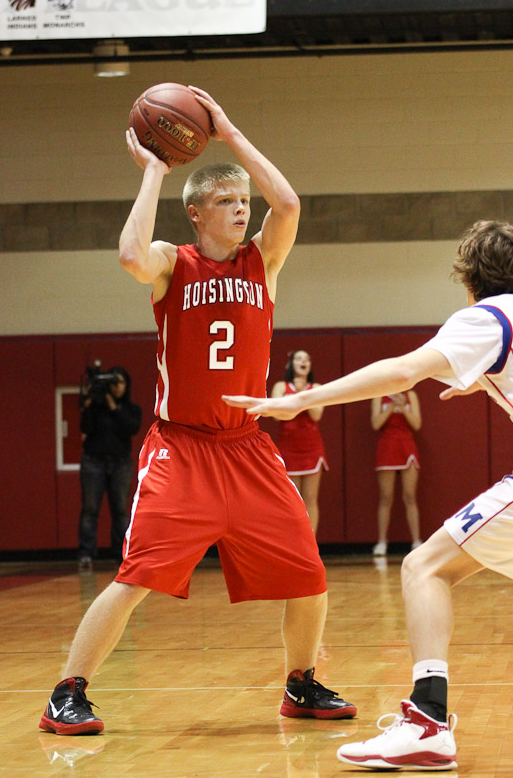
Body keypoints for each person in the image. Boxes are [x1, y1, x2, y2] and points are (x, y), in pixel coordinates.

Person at [39, 86, 356, 735]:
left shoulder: (261, 262)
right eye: (225, 202)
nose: (241, 211)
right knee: (135, 577)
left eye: (243, 202)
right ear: (196, 213)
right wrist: (157, 170)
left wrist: (231, 133)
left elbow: (289, 203)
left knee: (307, 573)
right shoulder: (171, 265)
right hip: (180, 448)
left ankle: (300, 684)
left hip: (245, 446)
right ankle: (67, 692)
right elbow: (129, 254)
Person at [225, 219, 513, 770]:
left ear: (468, 277)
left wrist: (301, 399)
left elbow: (401, 371)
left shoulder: (485, 317)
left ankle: (428, 724)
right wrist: (480, 379)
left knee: (425, 569)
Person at [77, 366, 142, 571]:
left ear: (127, 385)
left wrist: (114, 406)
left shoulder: (131, 409)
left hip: (121, 464)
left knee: (121, 511)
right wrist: (88, 404)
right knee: (90, 509)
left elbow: (131, 427)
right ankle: (86, 554)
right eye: (113, 383)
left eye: (120, 382)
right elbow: (85, 427)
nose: (117, 387)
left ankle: (121, 554)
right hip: (93, 462)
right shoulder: (96, 408)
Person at [270, 349, 328, 533]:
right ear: (291, 364)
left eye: (307, 359)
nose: (303, 362)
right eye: (299, 358)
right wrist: (296, 395)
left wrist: (303, 394)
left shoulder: (316, 387)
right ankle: (292, 542)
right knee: (291, 500)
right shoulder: (281, 386)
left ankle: (311, 545)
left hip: (311, 447)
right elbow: (278, 416)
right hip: (288, 448)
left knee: (310, 498)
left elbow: (316, 414)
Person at [371, 391, 422, 555]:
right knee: (386, 497)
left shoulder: (411, 395)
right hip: (387, 446)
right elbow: (376, 423)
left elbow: (417, 424)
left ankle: (416, 541)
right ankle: (381, 542)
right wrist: (392, 406)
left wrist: (403, 407)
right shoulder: (379, 396)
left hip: (407, 446)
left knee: (410, 496)